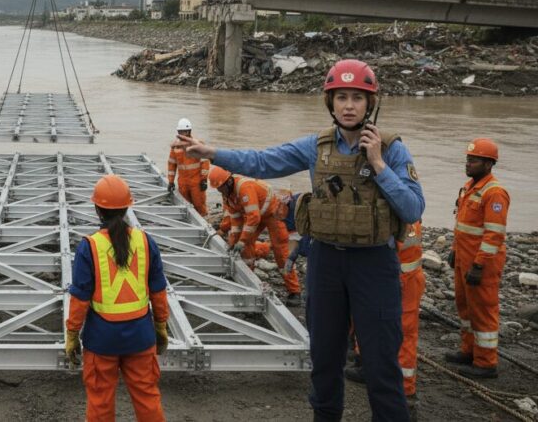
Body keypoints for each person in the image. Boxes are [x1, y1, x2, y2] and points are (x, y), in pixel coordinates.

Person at [174, 59, 425, 422]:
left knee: (381, 362)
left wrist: (379, 164)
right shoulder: (315, 147)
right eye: (341, 97)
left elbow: (413, 208)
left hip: (374, 265)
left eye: (357, 97)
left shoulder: (391, 149)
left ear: (370, 103)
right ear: (330, 102)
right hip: (326, 264)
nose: (349, 106)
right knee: (324, 357)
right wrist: (212, 153)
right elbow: (262, 161)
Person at [65, 174, 169, 422]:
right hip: (141, 337)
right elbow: (158, 290)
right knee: (147, 398)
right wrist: (160, 326)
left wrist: (72, 334)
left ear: (97, 209)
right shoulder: (146, 242)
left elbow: (80, 298)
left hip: (101, 340)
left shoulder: (89, 246)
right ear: (126, 208)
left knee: (100, 401)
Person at [444, 138, 509, 379]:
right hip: (464, 258)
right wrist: (454, 249)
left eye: (474, 160)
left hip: (482, 263)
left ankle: (485, 363)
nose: (468, 163)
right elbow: (462, 225)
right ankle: (468, 350)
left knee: (482, 310)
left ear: (489, 164)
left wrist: (479, 265)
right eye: (468, 159)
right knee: (464, 306)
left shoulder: (495, 193)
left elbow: (494, 235)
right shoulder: (469, 187)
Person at [346, 219, 426, 414]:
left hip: (403, 281)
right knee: (367, 321)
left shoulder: (397, 215)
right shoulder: (393, 211)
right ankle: (366, 366)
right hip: (387, 276)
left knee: (404, 333)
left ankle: (405, 392)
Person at [207, 166, 301, 306]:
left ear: (229, 182)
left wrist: (242, 240)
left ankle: (294, 291)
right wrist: (233, 241)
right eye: (218, 189)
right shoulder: (228, 195)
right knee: (245, 247)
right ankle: (248, 277)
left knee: (281, 250)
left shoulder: (244, 188)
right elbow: (236, 221)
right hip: (257, 214)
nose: (220, 191)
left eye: (220, 188)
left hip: (273, 213)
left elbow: (253, 218)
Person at [166, 118, 210, 216]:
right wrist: (171, 181)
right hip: (183, 182)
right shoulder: (175, 146)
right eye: (180, 132)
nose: (182, 134)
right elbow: (171, 165)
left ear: (189, 131)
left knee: (199, 205)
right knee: (185, 205)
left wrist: (204, 180)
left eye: (184, 131)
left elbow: (205, 162)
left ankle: (204, 221)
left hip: (196, 182)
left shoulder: (197, 144)